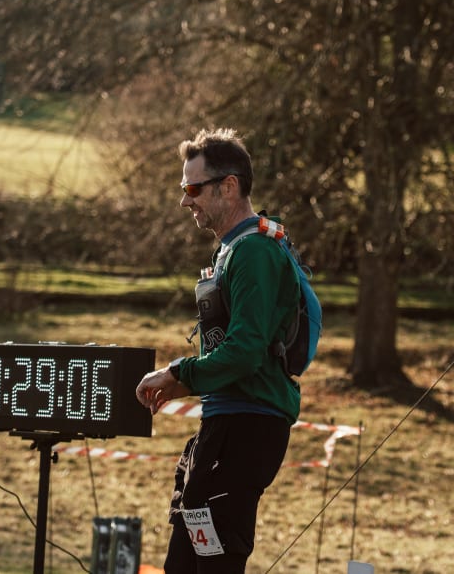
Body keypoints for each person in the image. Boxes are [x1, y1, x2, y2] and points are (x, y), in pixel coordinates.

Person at [135, 127, 301, 574]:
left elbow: (245, 351)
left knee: (213, 566)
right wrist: (186, 385)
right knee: (183, 563)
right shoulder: (233, 250)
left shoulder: (254, 252)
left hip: (246, 428)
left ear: (228, 187)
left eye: (193, 189)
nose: (184, 201)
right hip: (225, 423)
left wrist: (178, 373)